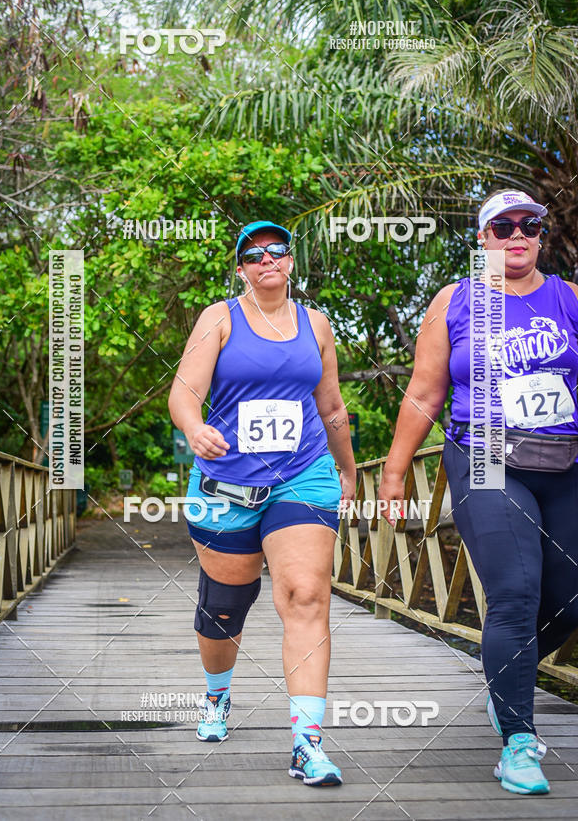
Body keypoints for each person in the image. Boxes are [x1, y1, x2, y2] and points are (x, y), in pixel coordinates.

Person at [378, 188, 578, 795]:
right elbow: (424, 391)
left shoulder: (568, 298)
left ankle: (505, 677)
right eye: (503, 226)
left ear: (541, 235)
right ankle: (518, 742)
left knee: (570, 597)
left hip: (565, 457)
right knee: (515, 591)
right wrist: (393, 473)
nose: (517, 235)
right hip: (486, 449)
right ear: (483, 237)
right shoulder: (456, 299)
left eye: (529, 225)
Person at [168, 220, 356, 786]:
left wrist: (348, 469)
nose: (267, 259)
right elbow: (184, 392)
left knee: (305, 595)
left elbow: (331, 406)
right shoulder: (220, 318)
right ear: (241, 269)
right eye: (254, 255)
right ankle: (217, 695)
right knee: (225, 607)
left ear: (291, 260)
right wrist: (194, 428)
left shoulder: (316, 324)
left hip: (303, 475)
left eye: (277, 251)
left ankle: (306, 743)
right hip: (227, 485)